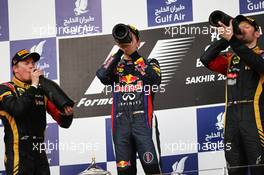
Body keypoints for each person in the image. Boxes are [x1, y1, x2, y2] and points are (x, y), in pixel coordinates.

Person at [200, 15, 264, 175]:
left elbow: (257, 64)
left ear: (257, 33)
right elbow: (206, 59)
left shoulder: (262, 55)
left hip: (255, 121)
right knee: (234, 170)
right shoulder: (231, 59)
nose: (241, 29)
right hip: (231, 122)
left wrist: (233, 41)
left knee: (259, 169)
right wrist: (226, 39)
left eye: (247, 27)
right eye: (238, 26)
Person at [96, 25, 162, 175]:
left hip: (144, 123)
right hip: (121, 126)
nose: (126, 40)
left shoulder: (150, 62)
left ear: (138, 42)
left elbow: (155, 80)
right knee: (125, 171)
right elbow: (101, 75)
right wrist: (120, 50)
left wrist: (135, 55)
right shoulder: (115, 66)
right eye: (124, 38)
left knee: (153, 170)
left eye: (130, 38)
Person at [0, 49, 73, 175]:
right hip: (18, 152)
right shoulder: (6, 88)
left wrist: (68, 114)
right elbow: (17, 109)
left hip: (39, 152)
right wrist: (34, 85)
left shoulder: (41, 91)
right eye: (26, 63)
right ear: (15, 69)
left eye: (33, 63)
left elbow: (63, 122)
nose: (31, 66)